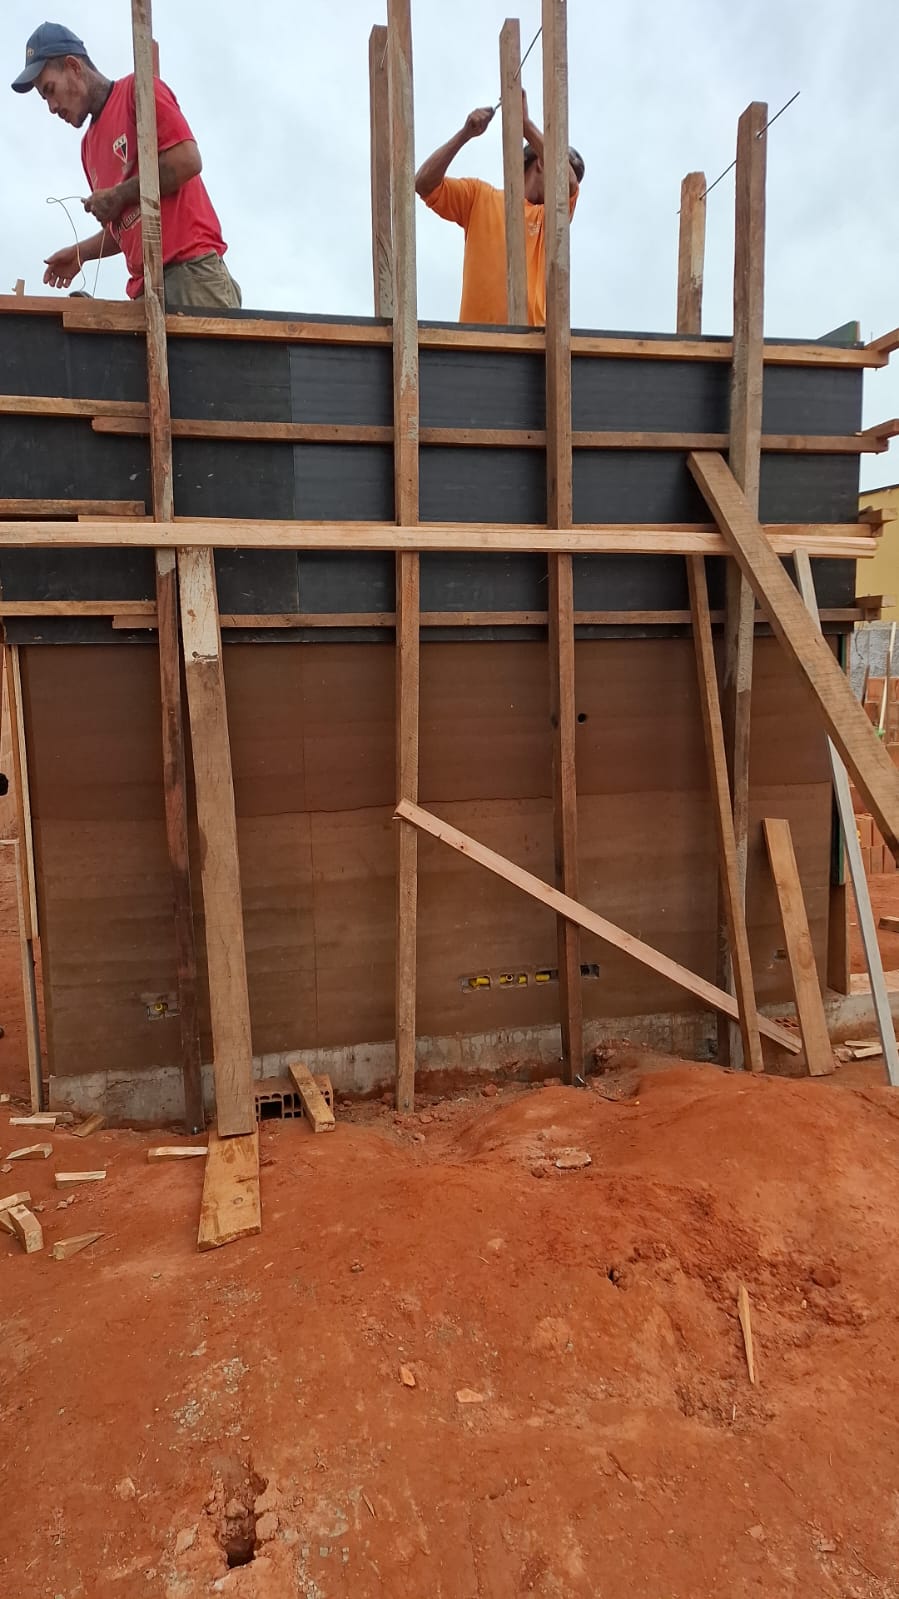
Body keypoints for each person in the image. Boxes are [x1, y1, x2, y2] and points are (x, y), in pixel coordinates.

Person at [12, 21, 240, 309]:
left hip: (191, 274)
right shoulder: (88, 148)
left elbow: (187, 160)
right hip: (146, 289)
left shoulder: (137, 90)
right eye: (44, 98)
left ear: (73, 67)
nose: (52, 107)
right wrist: (81, 253)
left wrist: (118, 195)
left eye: (50, 90)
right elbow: (126, 225)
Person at [415, 91, 584, 327]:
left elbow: (569, 183)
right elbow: (423, 183)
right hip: (476, 340)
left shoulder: (550, 219)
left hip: (530, 342)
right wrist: (464, 135)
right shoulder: (479, 197)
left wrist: (525, 125)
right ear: (541, 163)